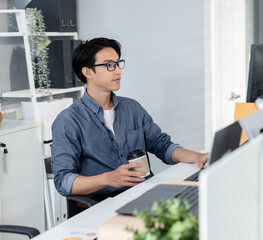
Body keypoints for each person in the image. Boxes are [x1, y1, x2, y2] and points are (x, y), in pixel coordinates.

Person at [51, 37, 208, 200]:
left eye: (118, 64)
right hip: (105, 202)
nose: (118, 71)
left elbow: (162, 145)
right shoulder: (68, 120)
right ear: (88, 72)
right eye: (109, 65)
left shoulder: (132, 108)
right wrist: (107, 179)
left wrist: (196, 157)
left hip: (146, 192)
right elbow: (63, 181)